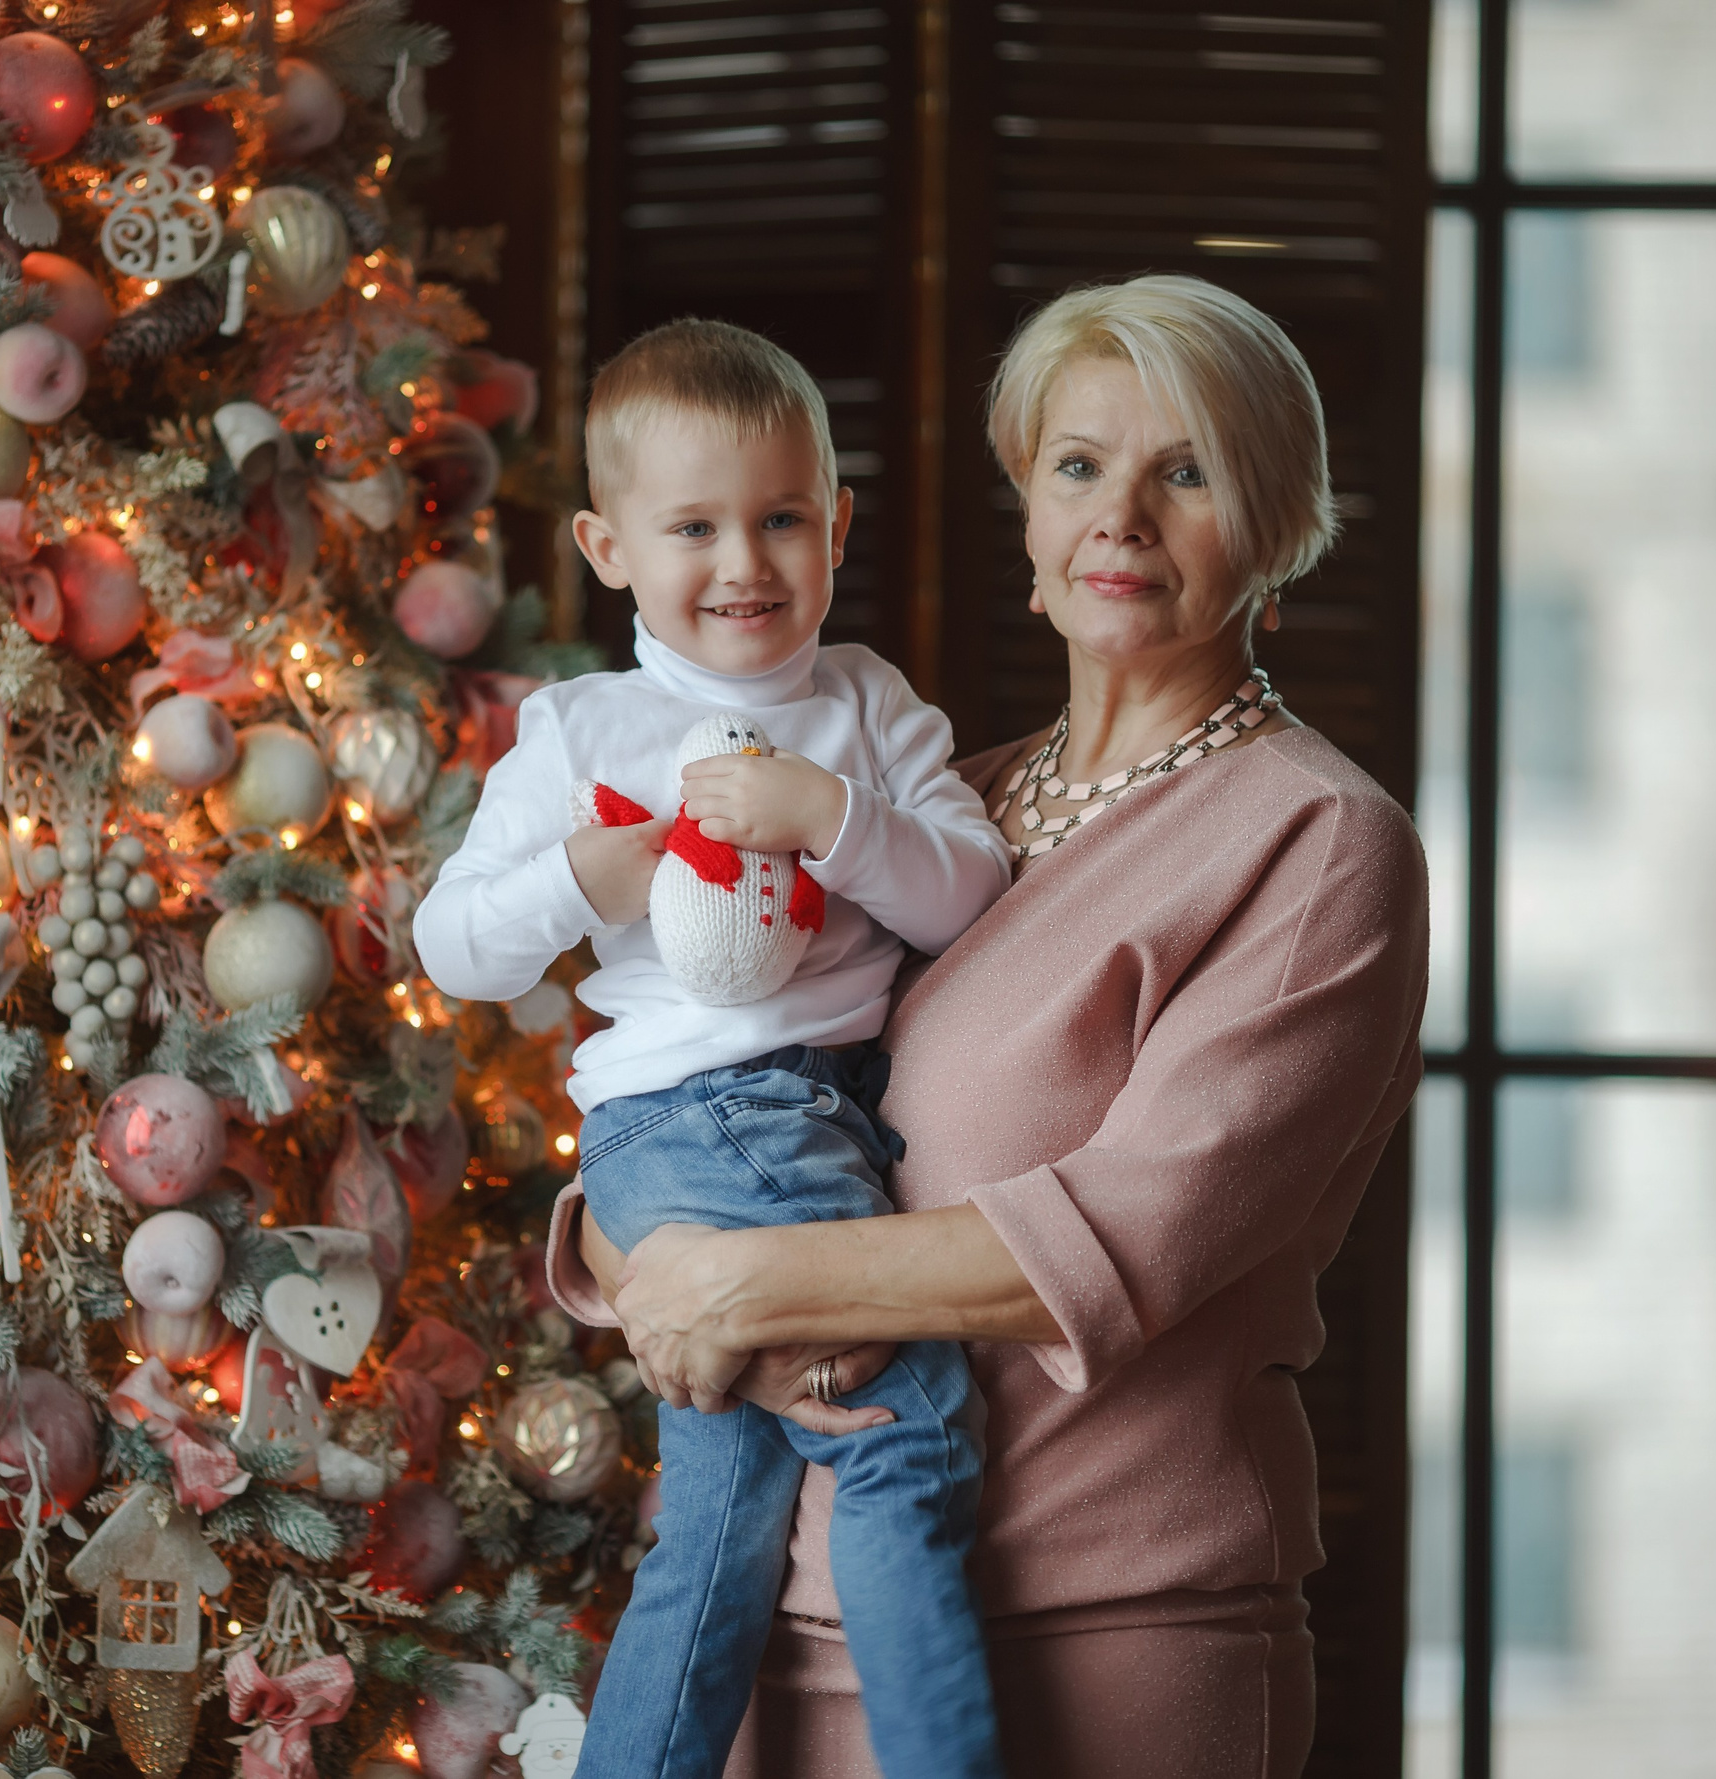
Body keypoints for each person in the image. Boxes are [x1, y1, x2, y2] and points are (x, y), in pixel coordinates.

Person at [542, 274, 1430, 1778]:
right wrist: (645, 1254)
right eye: (1080, 466)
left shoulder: (1319, 840)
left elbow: (1122, 1236)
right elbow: (745, 1103)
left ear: (1275, 526)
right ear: (1027, 510)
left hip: (1104, 1649)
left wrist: (732, 1284)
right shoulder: (944, 810)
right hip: (785, 1636)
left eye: (1188, 469)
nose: (1121, 517)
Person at [414, 319, 1014, 1779]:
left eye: (781, 519)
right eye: (694, 526)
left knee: (722, 1520)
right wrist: (592, 879)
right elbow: (452, 946)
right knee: (901, 1429)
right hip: (695, 1122)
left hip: (817, 1121)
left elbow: (972, 895)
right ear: (608, 546)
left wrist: (833, 820)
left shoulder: (863, 709)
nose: (744, 563)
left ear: (836, 524)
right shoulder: (583, 728)